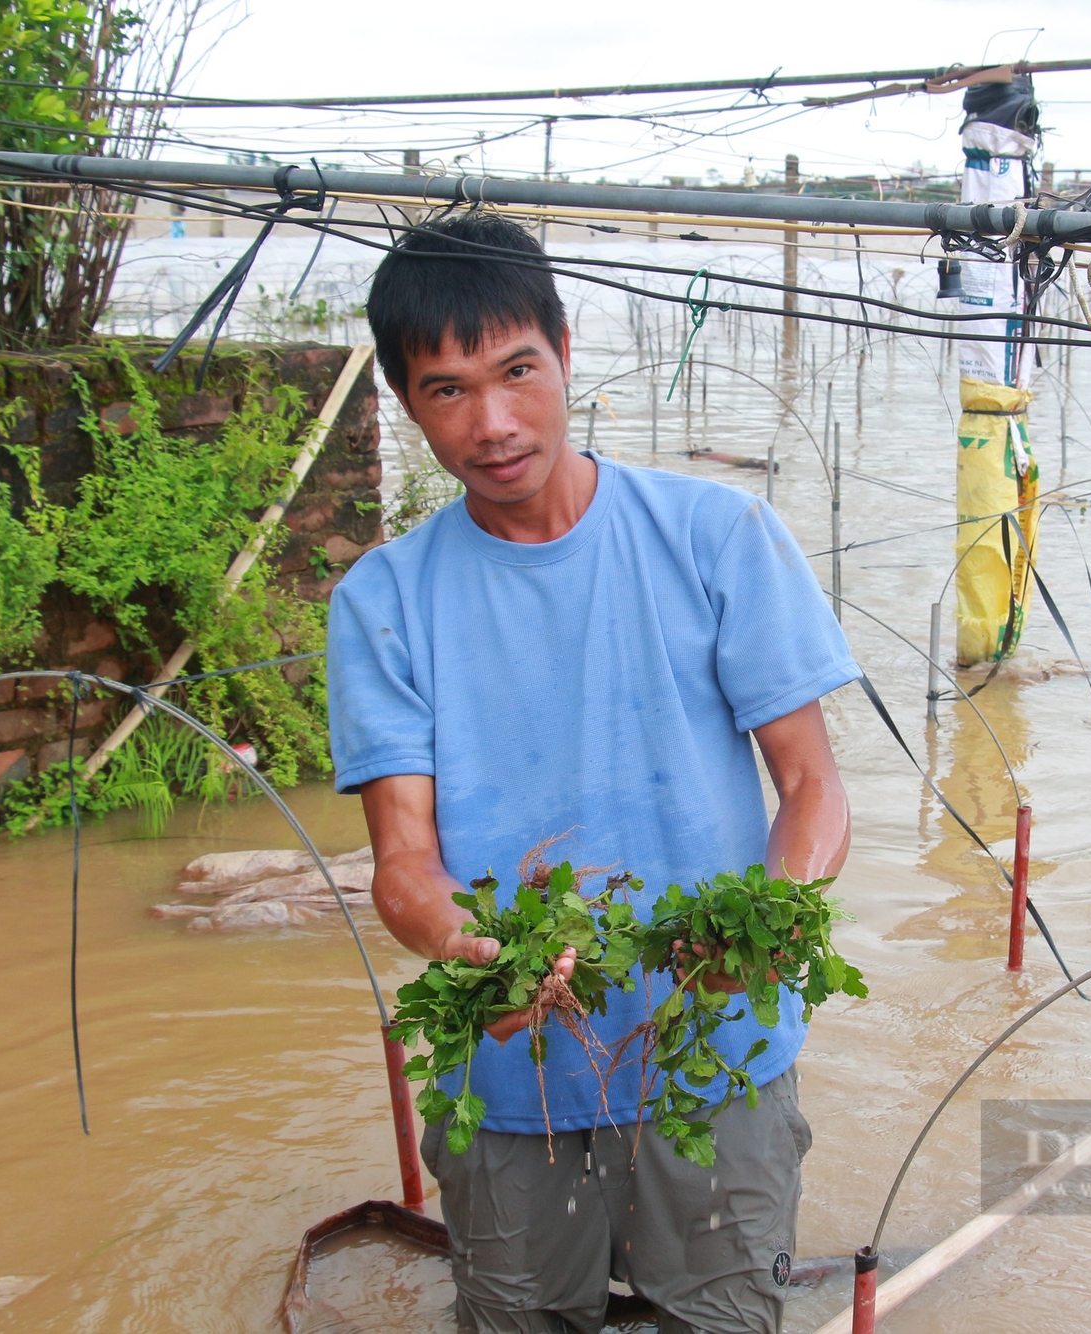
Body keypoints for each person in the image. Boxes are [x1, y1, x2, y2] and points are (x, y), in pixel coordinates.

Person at [327, 209, 859, 1334]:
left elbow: (810, 789)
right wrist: (460, 945)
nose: (495, 421)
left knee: (721, 1317)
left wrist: (760, 921)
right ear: (404, 402)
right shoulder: (383, 601)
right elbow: (403, 860)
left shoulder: (718, 537)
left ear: (565, 351)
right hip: (512, 1082)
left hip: (714, 1052)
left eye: (517, 370)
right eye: (446, 389)